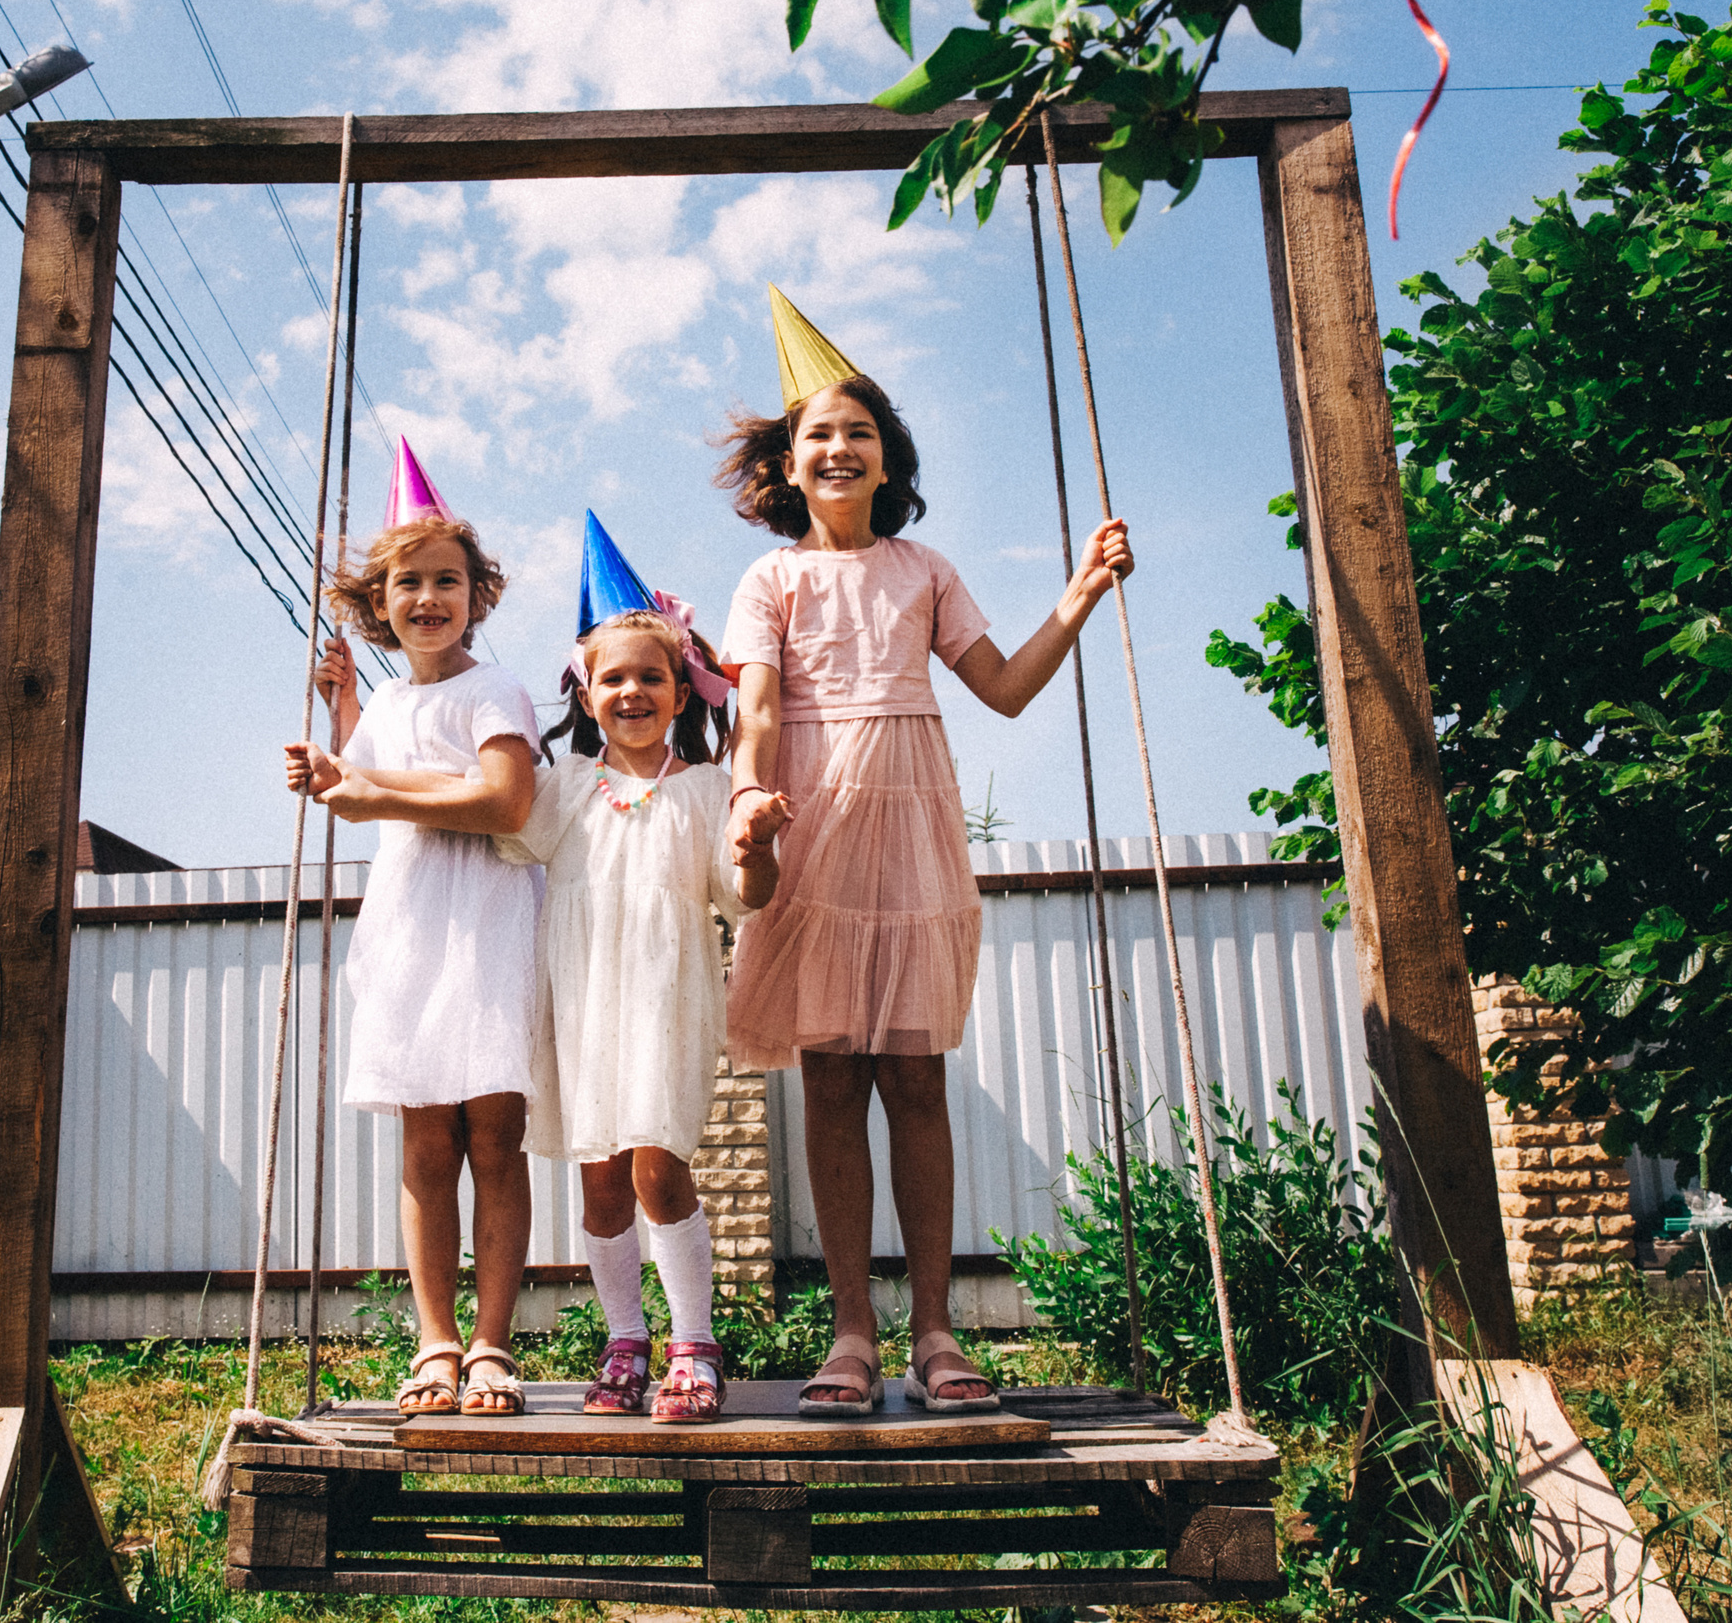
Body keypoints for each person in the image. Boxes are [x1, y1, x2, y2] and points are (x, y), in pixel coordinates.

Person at [719, 287, 1135, 1417]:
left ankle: (936, 1332)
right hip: (812, 819)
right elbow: (756, 707)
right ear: (788, 467)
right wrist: (753, 789)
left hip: (909, 821)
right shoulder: (772, 578)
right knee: (829, 1074)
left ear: (885, 459)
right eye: (818, 436)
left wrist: (1082, 595)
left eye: (858, 432)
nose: (838, 447)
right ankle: (851, 1334)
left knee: (913, 1074)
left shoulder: (925, 567)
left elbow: (1000, 689)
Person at [499, 515, 787, 1423]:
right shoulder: (564, 787)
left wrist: (760, 843)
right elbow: (494, 825)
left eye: (650, 676)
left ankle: (694, 1343)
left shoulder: (706, 789)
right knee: (599, 1178)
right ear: (585, 696)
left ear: (679, 690)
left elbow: (748, 897)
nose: (631, 690)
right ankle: (625, 1338)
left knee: (660, 1168)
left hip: (667, 1004)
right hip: (582, 1007)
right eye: (612, 677)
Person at [284, 439, 539, 1418]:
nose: (427, 598)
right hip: (408, 935)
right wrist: (338, 727)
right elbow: (353, 778)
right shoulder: (388, 699)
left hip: (486, 932)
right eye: (408, 584)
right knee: (425, 1150)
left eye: (446, 580)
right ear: (378, 602)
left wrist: (377, 789)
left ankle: (490, 1345)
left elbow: (506, 804)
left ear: (478, 594)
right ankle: (435, 1341)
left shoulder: (497, 690)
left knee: (493, 1142)